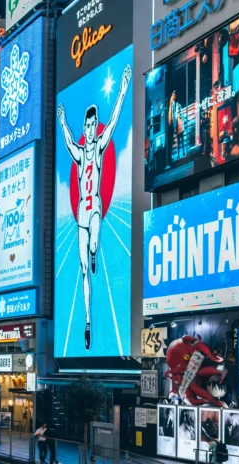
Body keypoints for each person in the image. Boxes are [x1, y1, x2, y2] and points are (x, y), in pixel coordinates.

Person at [56, 64, 132, 350]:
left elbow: (114, 120)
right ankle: (88, 322)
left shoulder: (99, 147)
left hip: (95, 209)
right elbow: (66, 142)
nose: (89, 130)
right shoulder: (78, 151)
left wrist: (123, 88)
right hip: (80, 218)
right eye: (86, 126)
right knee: (83, 270)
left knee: (92, 245)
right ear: (83, 128)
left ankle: (94, 252)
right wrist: (63, 122)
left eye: (92, 125)